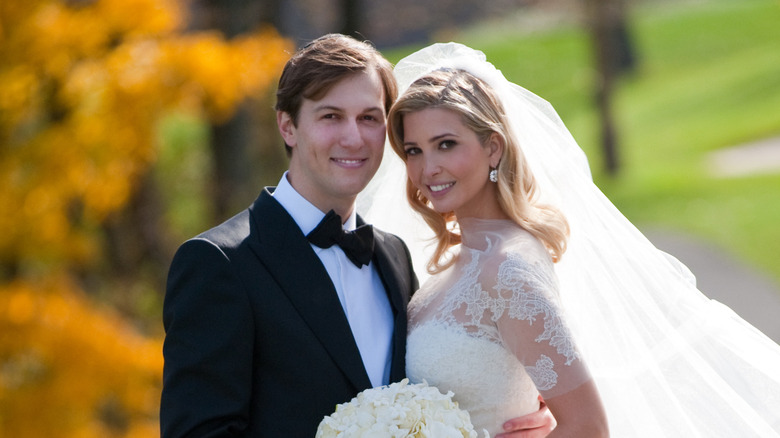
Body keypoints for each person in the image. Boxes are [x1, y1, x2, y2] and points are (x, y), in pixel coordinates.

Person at [362, 42, 780, 436]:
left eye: (446, 145)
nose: (427, 168)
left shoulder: (507, 268)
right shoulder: (463, 260)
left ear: (493, 148)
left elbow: (588, 426)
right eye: (413, 150)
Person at [160, 34, 555, 438]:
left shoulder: (393, 256)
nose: (354, 138)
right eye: (331, 116)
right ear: (288, 125)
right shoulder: (219, 263)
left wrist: (516, 415)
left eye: (369, 118)